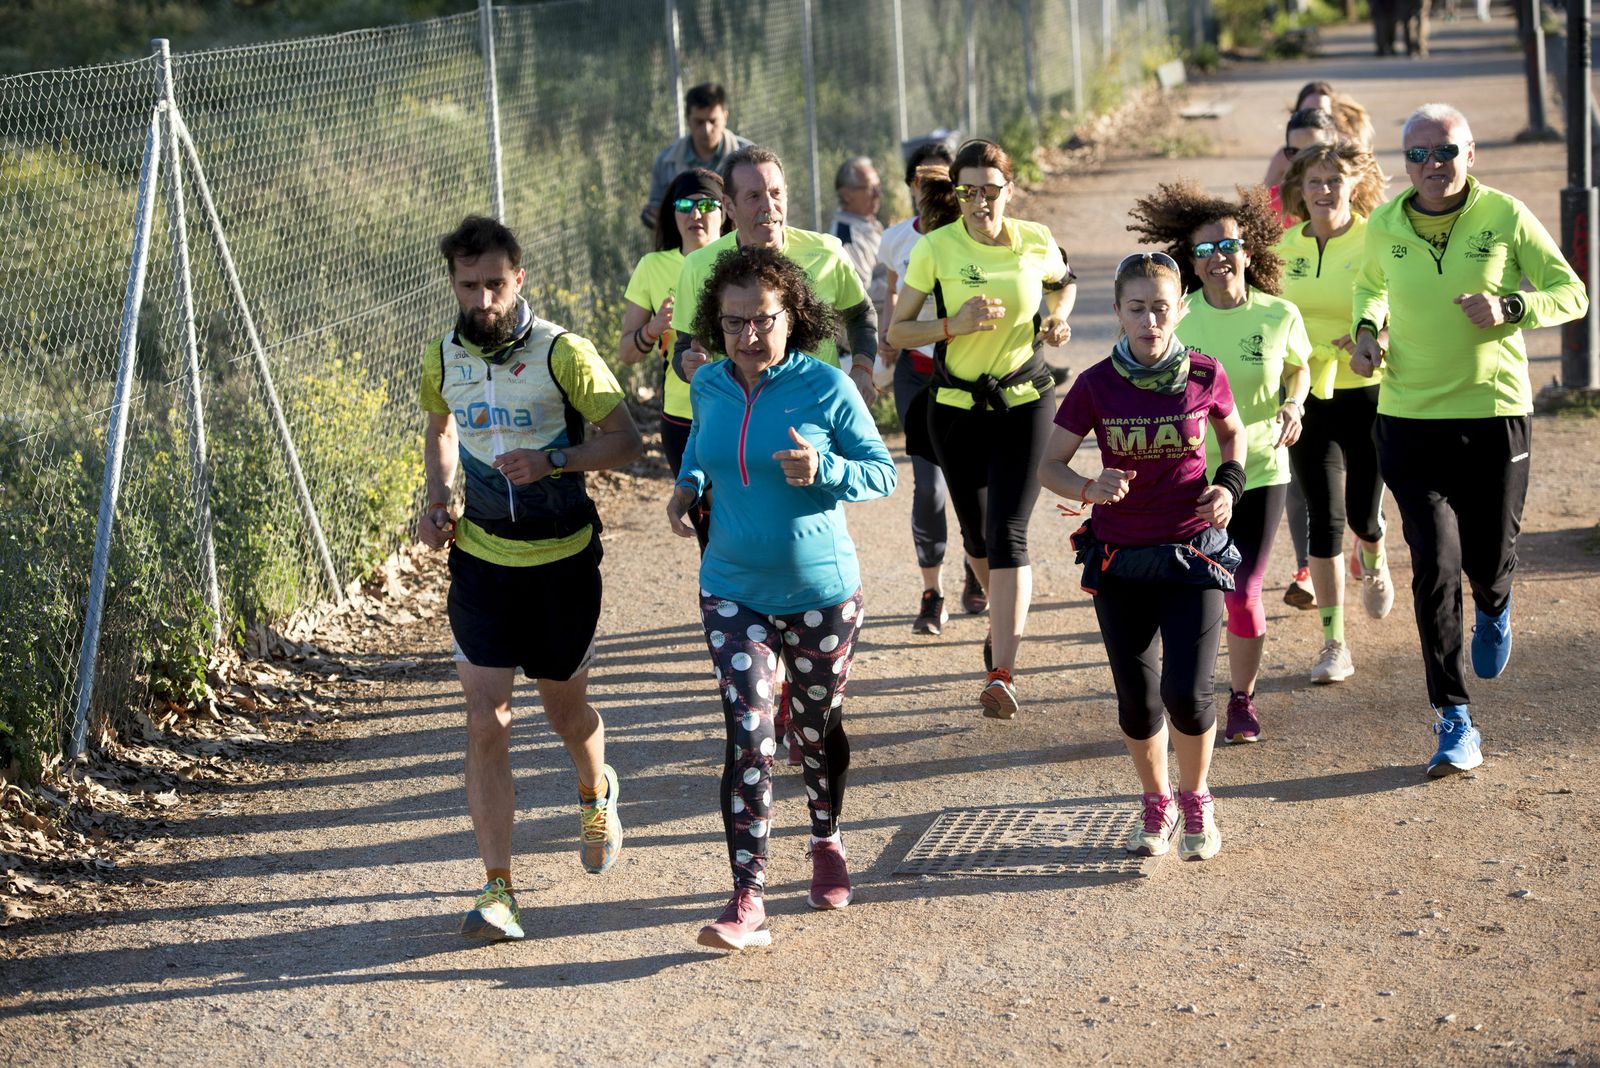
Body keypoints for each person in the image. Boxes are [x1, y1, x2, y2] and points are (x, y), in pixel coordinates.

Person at [417, 216, 644, 941]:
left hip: (562, 562)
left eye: (495, 284)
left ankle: (595, 788)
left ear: (519, 279)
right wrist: (437, 500)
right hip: (483, 561)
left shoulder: (562, 353)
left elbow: (628, 441)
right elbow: (441, 428)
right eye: (468, 285)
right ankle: (498, 889)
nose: (482, 299)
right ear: (453, 284)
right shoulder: (443, 356)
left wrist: (554, 461)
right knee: (486, 718)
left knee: (566, 716)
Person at [667, 246, 896, 951]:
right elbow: (701, 448)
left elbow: (882, 473)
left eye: (761, 319)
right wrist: (686, 486)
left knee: (815, 728)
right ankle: (748, 896)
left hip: (820, 593)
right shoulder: (708, 384)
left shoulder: (826, 386)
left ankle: (826, 837)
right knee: (750, 732)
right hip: (732, 587)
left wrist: (824, 467)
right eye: (733, 322)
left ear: (790, 318)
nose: (747, 335)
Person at [1350, 103, 1587, 776]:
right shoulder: (1384, 224)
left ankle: (1496, 602)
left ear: (1470, 154)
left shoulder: (1505, 215)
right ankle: (1454, 718)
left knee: (1487, 557)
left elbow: (1571, 293)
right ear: (1404, 163)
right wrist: (1367, 334)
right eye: (1418, 154)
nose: (1432, 164)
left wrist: (1512, 306)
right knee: (1434, 565)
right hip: (1407, 415)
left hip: (1493, 413)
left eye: (1446, 151)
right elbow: (1371, 290)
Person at [1039, 252, 1247, 863]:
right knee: (1138, 699)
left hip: (1193, 554)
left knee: (1189, 693)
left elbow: (1233, 433)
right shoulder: (1094, 384)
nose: (1150, 320)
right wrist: (1088, 487)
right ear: (1118, 312)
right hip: (1121, 560)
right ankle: (1157, 803)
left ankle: (1196, 797)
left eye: (1160, 308)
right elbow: (1049, 466)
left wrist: (1228, 486)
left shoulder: (1206, 373)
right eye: (1137, 309)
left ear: (1181, 308)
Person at [886, 139, 1077, 718]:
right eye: (967, 191)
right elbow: (897, 332)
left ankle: (1002, 671)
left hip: (1025, 402)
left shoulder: (1035, 239)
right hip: (955, 408)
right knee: (977, 538)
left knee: (1008, 532)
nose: (979, 202)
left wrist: (1057, 317)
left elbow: (1063, 281)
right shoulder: (936, 247)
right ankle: (1001, 619)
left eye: (990, 190)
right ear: (957, 193)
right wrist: (952, 324)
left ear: (1008, 191)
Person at [1128, 181, 1311, 745]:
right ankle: (1187, 691)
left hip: (1261, 469)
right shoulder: (1179, 319)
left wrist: (1294, 403)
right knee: (1187, 592)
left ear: (1247, 252)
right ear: (1192, 262)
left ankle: (1241, 698)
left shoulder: (1279, 313)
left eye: (1228, 245)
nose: (1218, 258)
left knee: (1243, 589)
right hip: (1189, 477)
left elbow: (1298, 368)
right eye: (1204, 250)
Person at [1276, 140, 1396, 685]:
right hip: (1307, 394)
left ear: (1355, 184)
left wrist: (1378, 339)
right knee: (1322, 518)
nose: (1324, 190)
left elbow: (1408, 305)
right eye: (1314, 182)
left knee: (1362, 515)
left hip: (1369, 393)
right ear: (1299, 191)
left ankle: (1374, 552)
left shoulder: (1379, 238)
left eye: (1334, 180)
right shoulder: (1282, 247)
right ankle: (1334, 643)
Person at [673, 145, 880, 408]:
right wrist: (689, 364)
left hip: (818, 410)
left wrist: (862, 368)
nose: (769, 206)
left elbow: (861, 315)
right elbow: (684, 349)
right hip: (739, 414)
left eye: (776, 193)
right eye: (754, 196)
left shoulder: (827, 252)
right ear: (729, 206)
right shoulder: (698, 266)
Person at [876, 141, 986, 634]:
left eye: (946, 179)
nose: (934, 188)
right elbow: (890, 290)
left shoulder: (973, 238)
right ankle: (932, 592)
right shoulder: (896, 238)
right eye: (925, 179)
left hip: (967, 374)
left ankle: (975, 563)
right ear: (911, 186)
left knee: (973, 484)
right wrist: (887, 336)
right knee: (930, 486)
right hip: (916, 373)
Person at [618, 168, 729, 547]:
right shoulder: (652, 266)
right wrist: (652, 329)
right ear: (673, 213)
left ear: (726, 211)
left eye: (707, 204)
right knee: (710, 536)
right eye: (685, 204)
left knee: (747, 526)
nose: (696, 214)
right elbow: (626, 353)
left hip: (741, 411)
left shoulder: (741, 259)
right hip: (683, 417)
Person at [641, 83, 752, 229]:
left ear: (725, 117)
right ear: (687, 119)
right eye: (699, 122)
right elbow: (656, 211)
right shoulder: (666, 162)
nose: (706, 129)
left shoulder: (748, 158)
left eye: (712, 121)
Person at [829, 156, 888, 317]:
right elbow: (862, 295)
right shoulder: (846, 237)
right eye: (869, 187)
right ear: (846, 194)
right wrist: (902, 278)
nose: (877, 193)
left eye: (878, 186)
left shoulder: (868, 222)